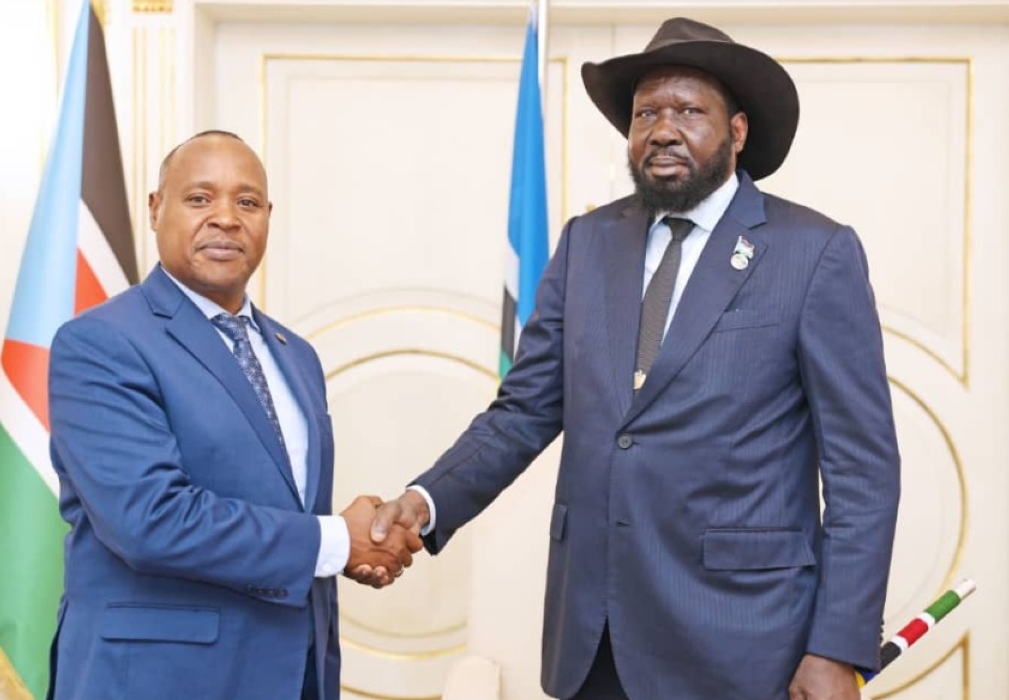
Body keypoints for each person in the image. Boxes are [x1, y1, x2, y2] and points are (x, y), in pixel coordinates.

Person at [366, 18, 900, 700]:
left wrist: (836, 646)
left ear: (736, 132)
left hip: (745, 642)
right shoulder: (587, 242)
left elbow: (863, 470)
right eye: (646, 112)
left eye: (688, 111)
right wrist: (425, 501)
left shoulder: (813, 252)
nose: (662, 129)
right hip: (595, 639)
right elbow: (523, 411)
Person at [45, 130, 421, 700]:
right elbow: (150, 520)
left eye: (247, 202)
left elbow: (283, 508)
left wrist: (350, 545)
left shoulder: (297, 355)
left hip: (290, 674)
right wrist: (337, 541)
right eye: (200, 199)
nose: (225, 218)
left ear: (268, 217)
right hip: (154, 681)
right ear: (155, 208)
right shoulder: (100, 342)